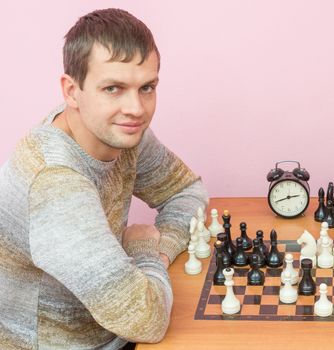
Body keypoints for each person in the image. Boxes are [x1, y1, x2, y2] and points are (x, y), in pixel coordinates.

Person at [0, 8, 208, 349]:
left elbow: (186, 190)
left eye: (147, 88)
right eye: (113, 88)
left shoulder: (121, 130)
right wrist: (142, 249)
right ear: (71, 91)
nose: (136, 108)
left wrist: (160, 251)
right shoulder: (54, 182)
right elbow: (146, 321)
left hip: (116, 335)